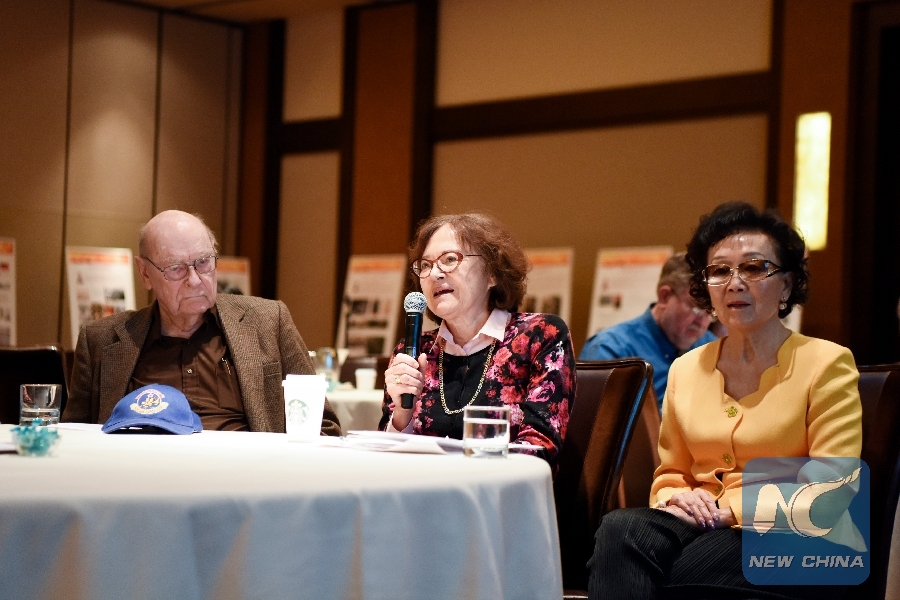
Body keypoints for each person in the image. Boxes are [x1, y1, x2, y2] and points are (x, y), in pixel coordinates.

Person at [588, 202, 862, 599]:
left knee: (684, 568)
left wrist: (730, 511)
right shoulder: (686, 368)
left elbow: (831, 487)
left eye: (753, 267)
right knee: (620, 531)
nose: (735, 283)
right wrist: (678, 496)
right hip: (703, 523)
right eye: (719, 271)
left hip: (804, 534)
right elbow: (671, 474)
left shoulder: (827, 363)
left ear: (787, 285)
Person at [63, 210, 341, 435]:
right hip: (145, 478)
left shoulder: (268, 321)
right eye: (176, 268)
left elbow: (323, 426)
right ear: (145, 272)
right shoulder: (102, 340)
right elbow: (73, 437)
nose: (195, 280)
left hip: (246, 477)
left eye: (204, 262)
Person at [378, 213, 575, 466]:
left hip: (499, 488)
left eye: (450, 260)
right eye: (425, 265)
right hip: (422, 486)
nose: (434, 273)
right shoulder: (416, 351)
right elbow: (386, 460)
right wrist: (402, 413)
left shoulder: (539, 336)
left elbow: (539, 449)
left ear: (493, 273)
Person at [579, 253, 716, 411]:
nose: (702, 322)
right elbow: (591, 421)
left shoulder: (712, 348)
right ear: (665, 296)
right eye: (697, 308)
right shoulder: (610, 349)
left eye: (711, 311)